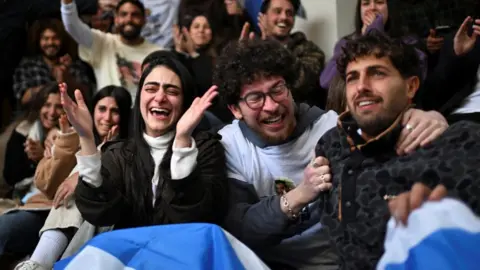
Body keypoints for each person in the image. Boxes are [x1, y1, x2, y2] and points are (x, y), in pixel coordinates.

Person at [213, 39, 448, 270]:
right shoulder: (230, 144)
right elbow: (240, 229)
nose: (272, 106)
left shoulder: (330, 128)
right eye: (255, 98)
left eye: (277, 89)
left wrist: (426, 118)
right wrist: (300, 194)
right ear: (235, 109)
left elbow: (381, 126)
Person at [316, 31, 480, 269]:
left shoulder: (460, 143)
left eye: (377, 73)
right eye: (352, 77)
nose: (361, 86)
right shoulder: (330, 145)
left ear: (411, 86)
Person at [63, 55, 228, 230]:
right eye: (151, 89)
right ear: (139, 97)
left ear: (185, 101)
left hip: (184, 251)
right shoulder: (119, 153)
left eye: (172, 91)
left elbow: (200, 216)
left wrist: (182, 141)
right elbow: (101, 213)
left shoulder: (207, 148)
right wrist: (87, 138)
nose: (160, 97)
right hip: (131, 253)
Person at [14, 85, 132, 270]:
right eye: (102, 109)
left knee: (86, 174)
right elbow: (46, 184)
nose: (107, 118)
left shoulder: (129, 147)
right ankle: (37, 263)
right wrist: (64, 141)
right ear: (92, 111)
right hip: (48, 207)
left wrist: (100, 155)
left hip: (101, 214)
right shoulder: (73, 136)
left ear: (124, 116)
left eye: (114, 111)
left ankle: (39, 263)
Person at [0, 83, 64, 266]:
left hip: (47, 205)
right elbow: (10, 175)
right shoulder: (23, 130)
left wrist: (42, 160)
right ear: (38, 107)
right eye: (47, 105)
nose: (51, 112)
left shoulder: (69, 136)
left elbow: (59, 183)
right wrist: (32, 162)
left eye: (58, 106)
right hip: (21, 197)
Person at [60, 0, 161, 102]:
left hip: (143, 116)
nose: (129, 19)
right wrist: (67, 3)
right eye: (123, 14)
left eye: (135, 15)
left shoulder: (158, 53)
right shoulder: (101, 42)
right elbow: (71, 25)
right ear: (116, 19)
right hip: (106, 115)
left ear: (144, 20)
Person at [320, 0, 427, 90]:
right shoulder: (346, 42)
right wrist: (362, 40)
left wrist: (375, 34)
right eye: (366, 3)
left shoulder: (408, 40)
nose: (372, 8)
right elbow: (326, 82)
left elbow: (418, 74)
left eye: (379, 2)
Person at [240, 0, 326, 107]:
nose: (284, 17)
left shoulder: (310, 50)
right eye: (277, 11)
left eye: (289, 13)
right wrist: (240, 56)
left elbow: (301, 83)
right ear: (263, 16)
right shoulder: (252, 47)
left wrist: (272, 46)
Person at [13, 19, 93, 107]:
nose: (50, 43)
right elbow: (24, 98)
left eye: (55, 38)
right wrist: (56, 84)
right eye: (45, 38)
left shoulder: (73, 65)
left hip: (67, 116)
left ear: (62, 40)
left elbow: (86, 96)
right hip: (33, 117)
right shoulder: (28, 65)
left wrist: (66, 77)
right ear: (38, 40)